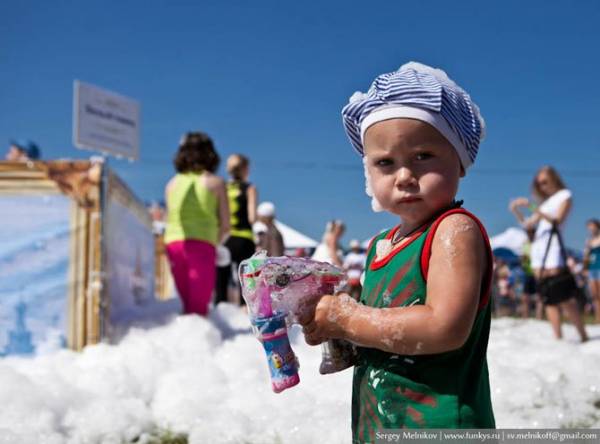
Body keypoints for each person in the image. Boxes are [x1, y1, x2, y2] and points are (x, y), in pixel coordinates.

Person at [298, 62, 495, 435]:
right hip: (382, 423)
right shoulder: (378, 247)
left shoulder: (453, 230)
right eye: (385, 163)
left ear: (460, 160)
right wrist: (333, 328)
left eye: (423, 156)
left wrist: (349, 320)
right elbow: (385, 327)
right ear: (368, 173)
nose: (404, 176)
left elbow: (444, 327)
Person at [510, 166, 588, 341]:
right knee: (548, 298)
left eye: (545, 182)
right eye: (539, 184)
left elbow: (557, 220)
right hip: (539, 253)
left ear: (554, 179)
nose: (543, 186)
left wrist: (531, 206)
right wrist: (517, 210)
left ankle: (582, 335)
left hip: (552, 252)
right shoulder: (545, 204)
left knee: (564, 296)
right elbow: (528, 225)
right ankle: (557, 337)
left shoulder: (564, 196)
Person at [164, 132, 230, 316]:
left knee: (186, 304)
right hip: (202, 244)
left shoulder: (171, 184)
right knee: (199, 307)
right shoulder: (215, 183)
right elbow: (226, 224)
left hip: (173, 243)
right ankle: (198, 342)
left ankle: (185, 340)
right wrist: (216, 244)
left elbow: (168, 218)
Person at [215, 154, 258, 305]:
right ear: (246, 169)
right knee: (246, 282)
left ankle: (220, 309)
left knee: (221, 280)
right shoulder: (250, 188)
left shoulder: (223, 188)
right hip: (245, 238)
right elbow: (252, 217)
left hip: (225, 239)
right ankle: (245, 311)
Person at [584, 218, 600, 322]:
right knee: (595, 295)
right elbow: (586, 257)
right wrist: (585, 268)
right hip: (591, 269)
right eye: (589, 227)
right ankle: (598, 317)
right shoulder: (588, 241)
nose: (591, 228)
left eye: (592, 226)